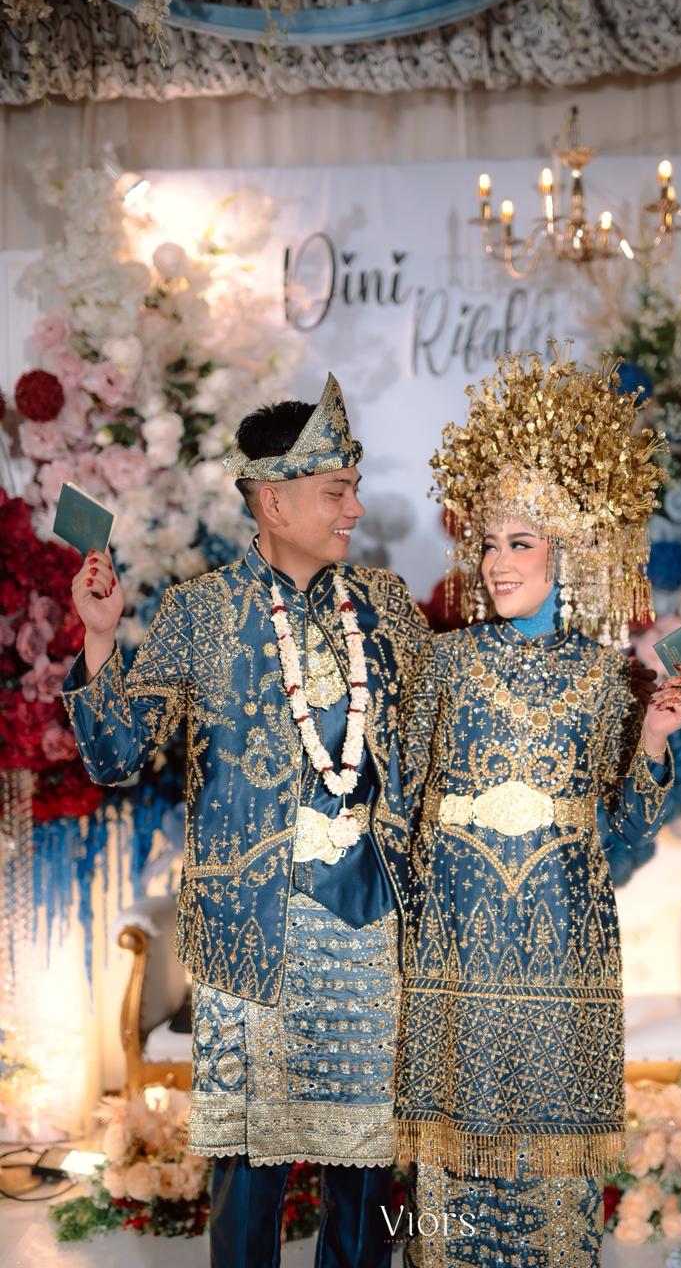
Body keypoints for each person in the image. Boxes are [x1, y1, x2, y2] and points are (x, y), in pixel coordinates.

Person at [62, 374, 430, 1268]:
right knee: (249, 1179)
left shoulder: (385, 606)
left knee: (368, 1180)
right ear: (273, 499)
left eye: (353, 488)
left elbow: (443, 746)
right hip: (248, 933)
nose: (353, 508)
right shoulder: (201, 611)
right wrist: (101, 638)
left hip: (372, 925)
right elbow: (114, 755)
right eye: (335, 491)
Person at [394, 351, 681, 1266]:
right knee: (451, 1162)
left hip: (562, 940)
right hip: (455, 940)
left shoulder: (607, 677)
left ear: (564, 552)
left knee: (551, 1162)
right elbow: (399, 801)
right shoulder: (443, 662)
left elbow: (632, 822)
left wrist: (655, 738)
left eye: (519, 543)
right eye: (488, 543)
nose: (497, 563)